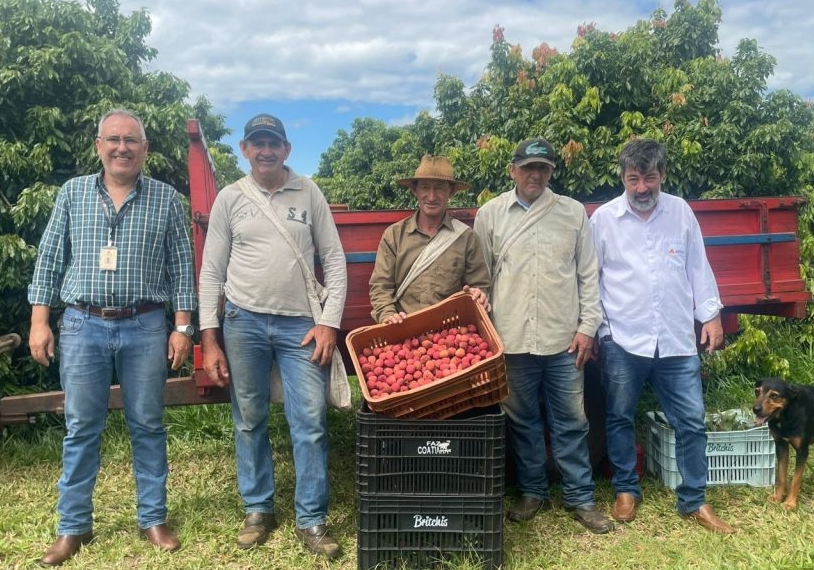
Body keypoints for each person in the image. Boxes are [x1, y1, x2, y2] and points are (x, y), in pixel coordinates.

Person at [27, 109, 196, 566]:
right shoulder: (72, 194)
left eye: (132, 140)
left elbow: (182, 269)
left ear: (145, 148)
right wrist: (39, 321)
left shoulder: (166, 200)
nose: (122, 147)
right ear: (98, 144)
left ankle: (153, 519)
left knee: (148, 424)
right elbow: (48, 260)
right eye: (114, 139)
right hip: (83, 324)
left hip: (145, 325)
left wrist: (182, 328)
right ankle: (73, 527)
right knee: (82, 427)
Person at [198, 113, 347, 559]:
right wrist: (209, 339)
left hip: (302, 327)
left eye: (273, 143)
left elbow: (335, 261)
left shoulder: (309, 192)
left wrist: (329, 323)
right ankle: (258, 509)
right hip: (242, 323)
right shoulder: (230, 198)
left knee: (311, 421)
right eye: (257, 143)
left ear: (286, 150)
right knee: (249, 419)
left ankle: (311, 518)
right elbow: (211, 271)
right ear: (245, 149)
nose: (266, 150)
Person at [590, 138, 735, 533]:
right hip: (623, 338)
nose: (642, 188)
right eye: (633, 178)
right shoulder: (603, 220)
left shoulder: (681, 212)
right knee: (619, 417)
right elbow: (591, 280)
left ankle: (694, 500)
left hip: (674, 340)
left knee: (691, 420)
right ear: (622, 177)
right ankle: (626, 490)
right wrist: (602, 331)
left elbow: (698, 267)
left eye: (649, 178)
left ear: (662, 176)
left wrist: (711, 317)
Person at [473, 137, 613, 534]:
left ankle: (581, 498)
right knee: (523, 422)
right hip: (511, 339)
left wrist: (588, 328)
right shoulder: (491, 214)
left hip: (563, 339)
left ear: (551, 172)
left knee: (572, 420)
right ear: (513, 170)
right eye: (528, 167)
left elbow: (589, 274)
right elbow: (480, 280)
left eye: (543, 169)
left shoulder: (571, 213)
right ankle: (533, 492)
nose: (535, 175)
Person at [368, 154, 490, 324]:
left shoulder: (467, 238)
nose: (431, 197)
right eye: (425, 187)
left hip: (450, 335)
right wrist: (388, 315)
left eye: (439, 188)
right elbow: (381, 286)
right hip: (403, 331)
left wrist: (479, 295)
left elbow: (479, 286)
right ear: (415, 190)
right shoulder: (394, 235)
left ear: (451, 191)